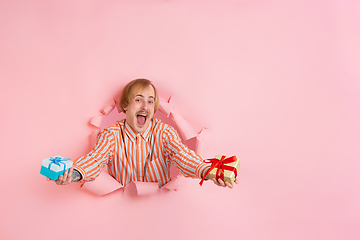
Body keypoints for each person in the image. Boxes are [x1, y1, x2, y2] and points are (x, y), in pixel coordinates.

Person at [50, 78, 238, 188]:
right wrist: (74, 173)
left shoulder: (164, 133)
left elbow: (183, 156)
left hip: (158, 218)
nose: (145, 106)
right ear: (125, 106)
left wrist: (209, 172)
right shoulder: (111, 135)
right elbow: (95, 159)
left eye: (150, 101)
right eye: (138, 100)